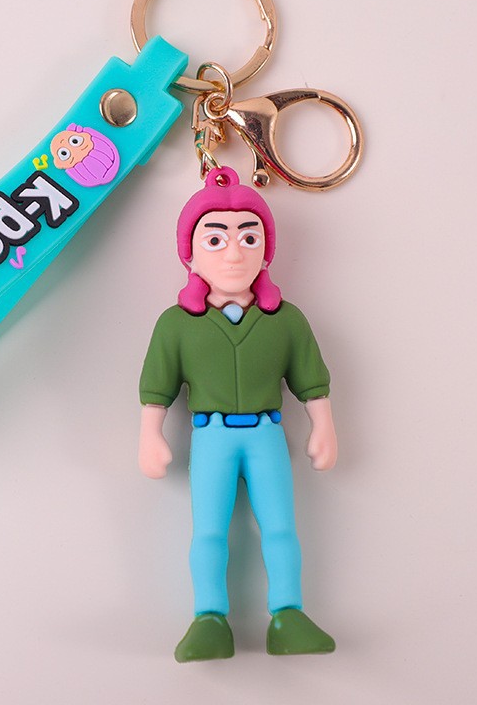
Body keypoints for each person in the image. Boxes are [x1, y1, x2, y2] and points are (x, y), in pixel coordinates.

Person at [138, 166, 338, 662]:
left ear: (266, 250)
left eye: (249, 238)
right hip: (211, 438)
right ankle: (209, 618)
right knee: (209, 530)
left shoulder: (285, 320)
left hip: (267, 434)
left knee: (280, 527)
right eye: (216, 239)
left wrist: (324, 424)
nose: (233, 253)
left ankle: (288, 614)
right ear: (189, 253)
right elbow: (157, 388)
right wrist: (150, 434)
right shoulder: (176, 324)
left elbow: (310, 378)